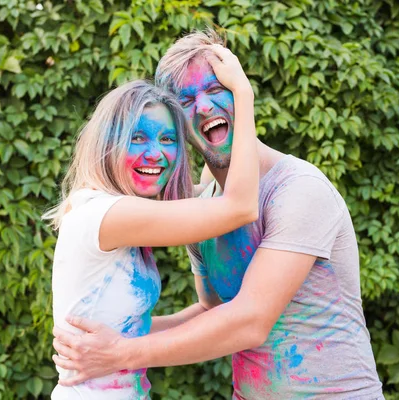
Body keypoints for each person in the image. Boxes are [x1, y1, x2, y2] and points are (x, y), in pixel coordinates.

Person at [52, 31, 384, 399]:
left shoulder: (299, 189)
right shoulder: (206, 203)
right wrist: (109, 340)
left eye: (216, 90)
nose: (205, 107)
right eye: (188, 99)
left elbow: (250, 320)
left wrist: (122, 351)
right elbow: (213, 309)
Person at [45, 45, 259, 400]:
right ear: (107, 144)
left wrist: (220, 316)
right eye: (138, 138)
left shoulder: (113, 213)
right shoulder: (107, 215)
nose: (156, 153)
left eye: (169, 139)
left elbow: (133, 330)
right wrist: (243, 94)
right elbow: (239, 206)